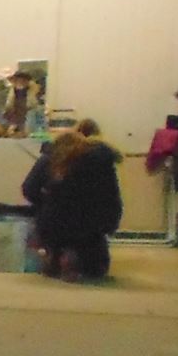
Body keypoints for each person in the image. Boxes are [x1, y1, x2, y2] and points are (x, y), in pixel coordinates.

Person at [30, 118, 123, 280]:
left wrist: (44, 203)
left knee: (55, 228)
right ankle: (76, 259)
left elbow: (29, 189)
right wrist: (109, 224)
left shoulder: (50, 157)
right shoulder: (103, 160)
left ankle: (55, 255)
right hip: (92, 225)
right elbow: (112, 199)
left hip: (53, 221)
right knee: (96, 267)